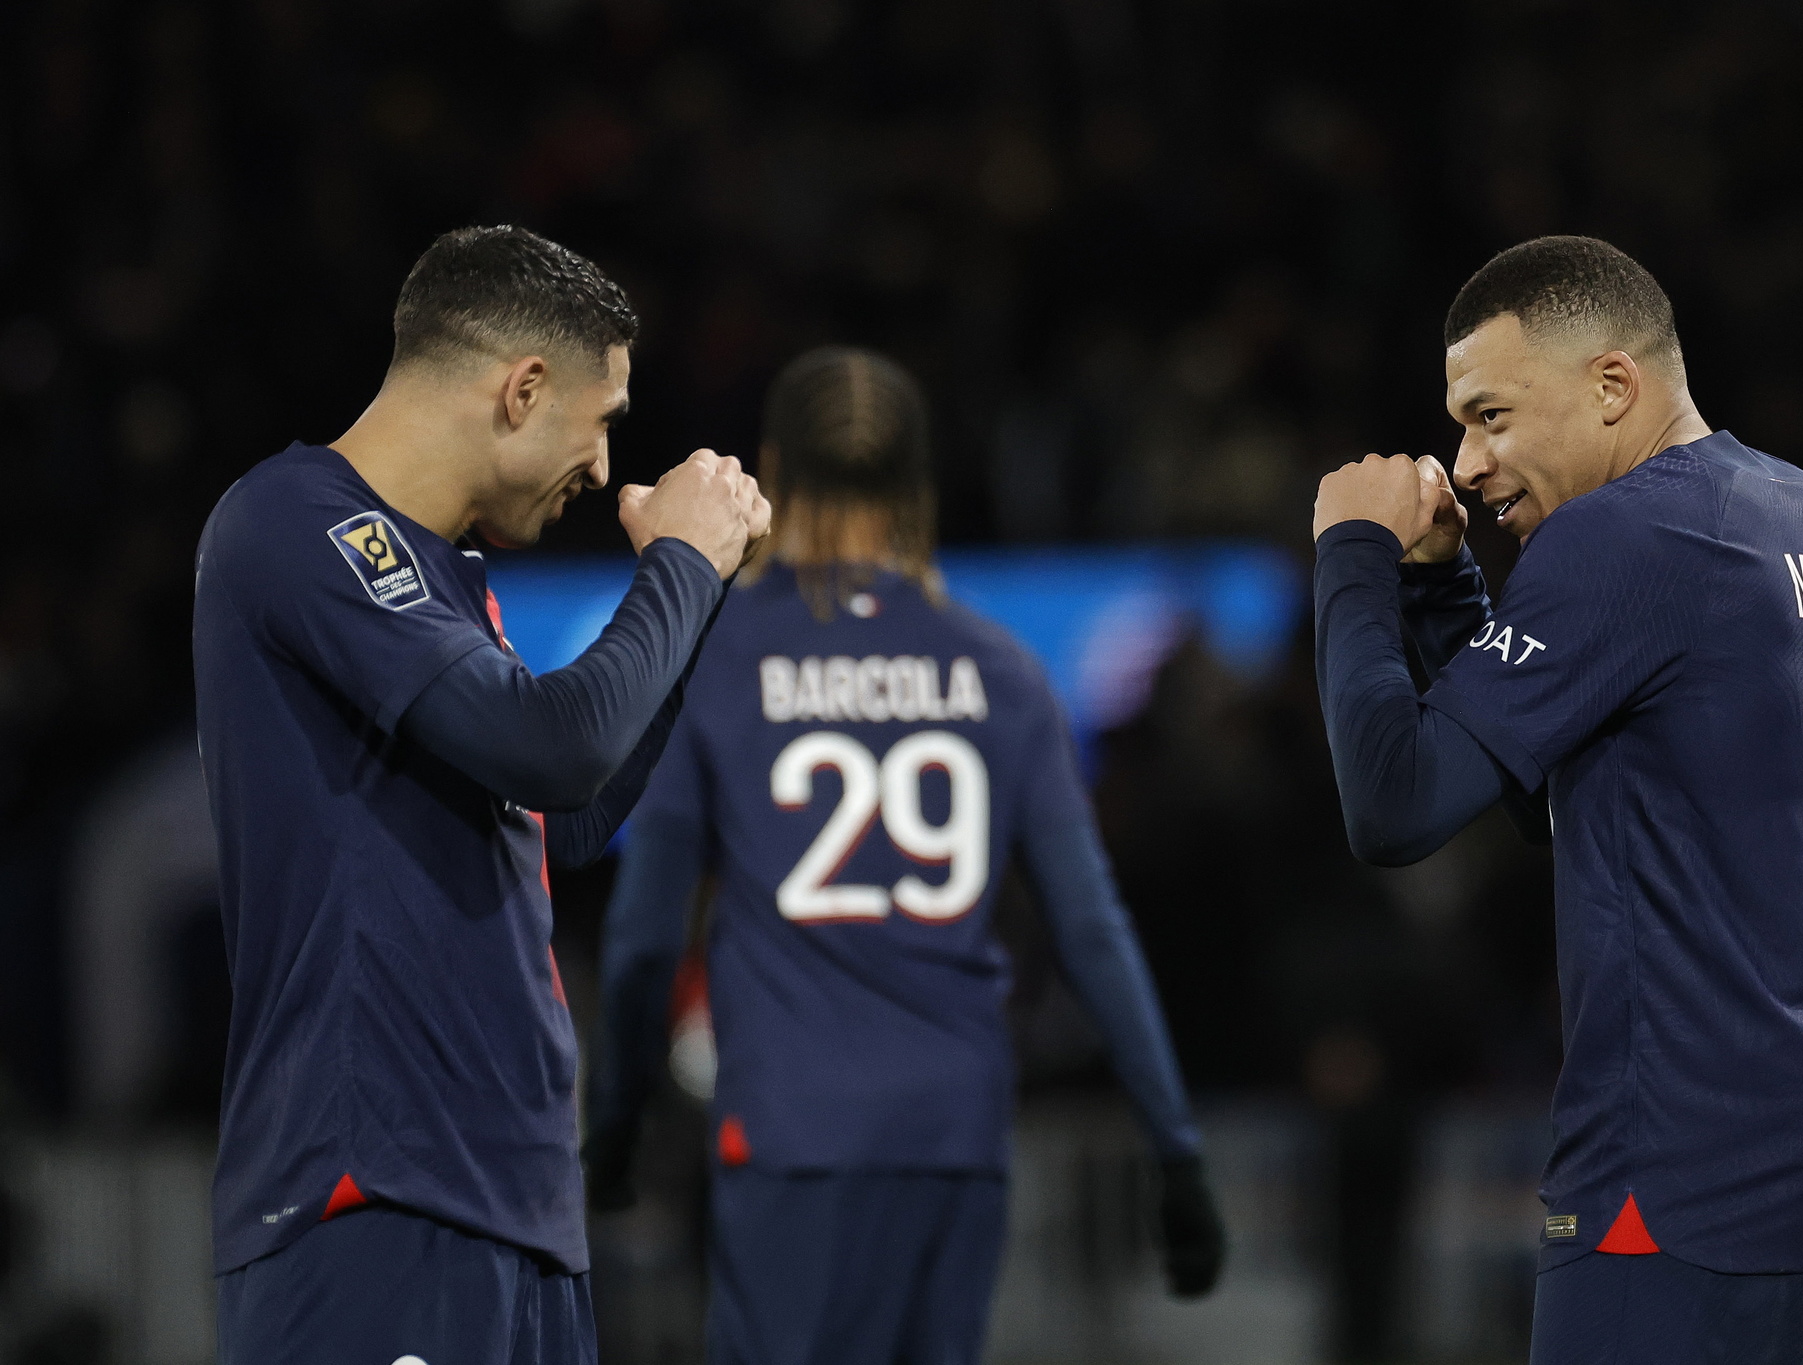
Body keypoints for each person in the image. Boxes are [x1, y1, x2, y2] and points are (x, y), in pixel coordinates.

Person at [1310, 236, 1803, 1363]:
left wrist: (1350, 557)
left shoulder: (1626, 533)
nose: (1469, 460)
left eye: (1491, 416)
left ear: (1611, 387)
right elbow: (1576, 801)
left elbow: (1393, 806)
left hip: (1691, 1162)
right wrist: (1446, 589)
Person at [194, 224, 770, 1365]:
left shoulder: (449, 579)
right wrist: (680, 566)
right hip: (379, 1193)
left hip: (514, 1213)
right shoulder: (300, 523)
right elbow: (554, 746)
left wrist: (699, 606)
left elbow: (564, 816)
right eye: (602, 424)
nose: (605, 469)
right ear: (522, 389)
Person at [582, 345, 1226, 1365]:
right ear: (916, 481)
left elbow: (648, 928)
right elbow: (1089, 930)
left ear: (772, 471)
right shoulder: (1001, 673)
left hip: (789, 1126)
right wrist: (1174, 1150)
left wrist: (614, 1120)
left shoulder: (722, 655)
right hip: (953, 1130)